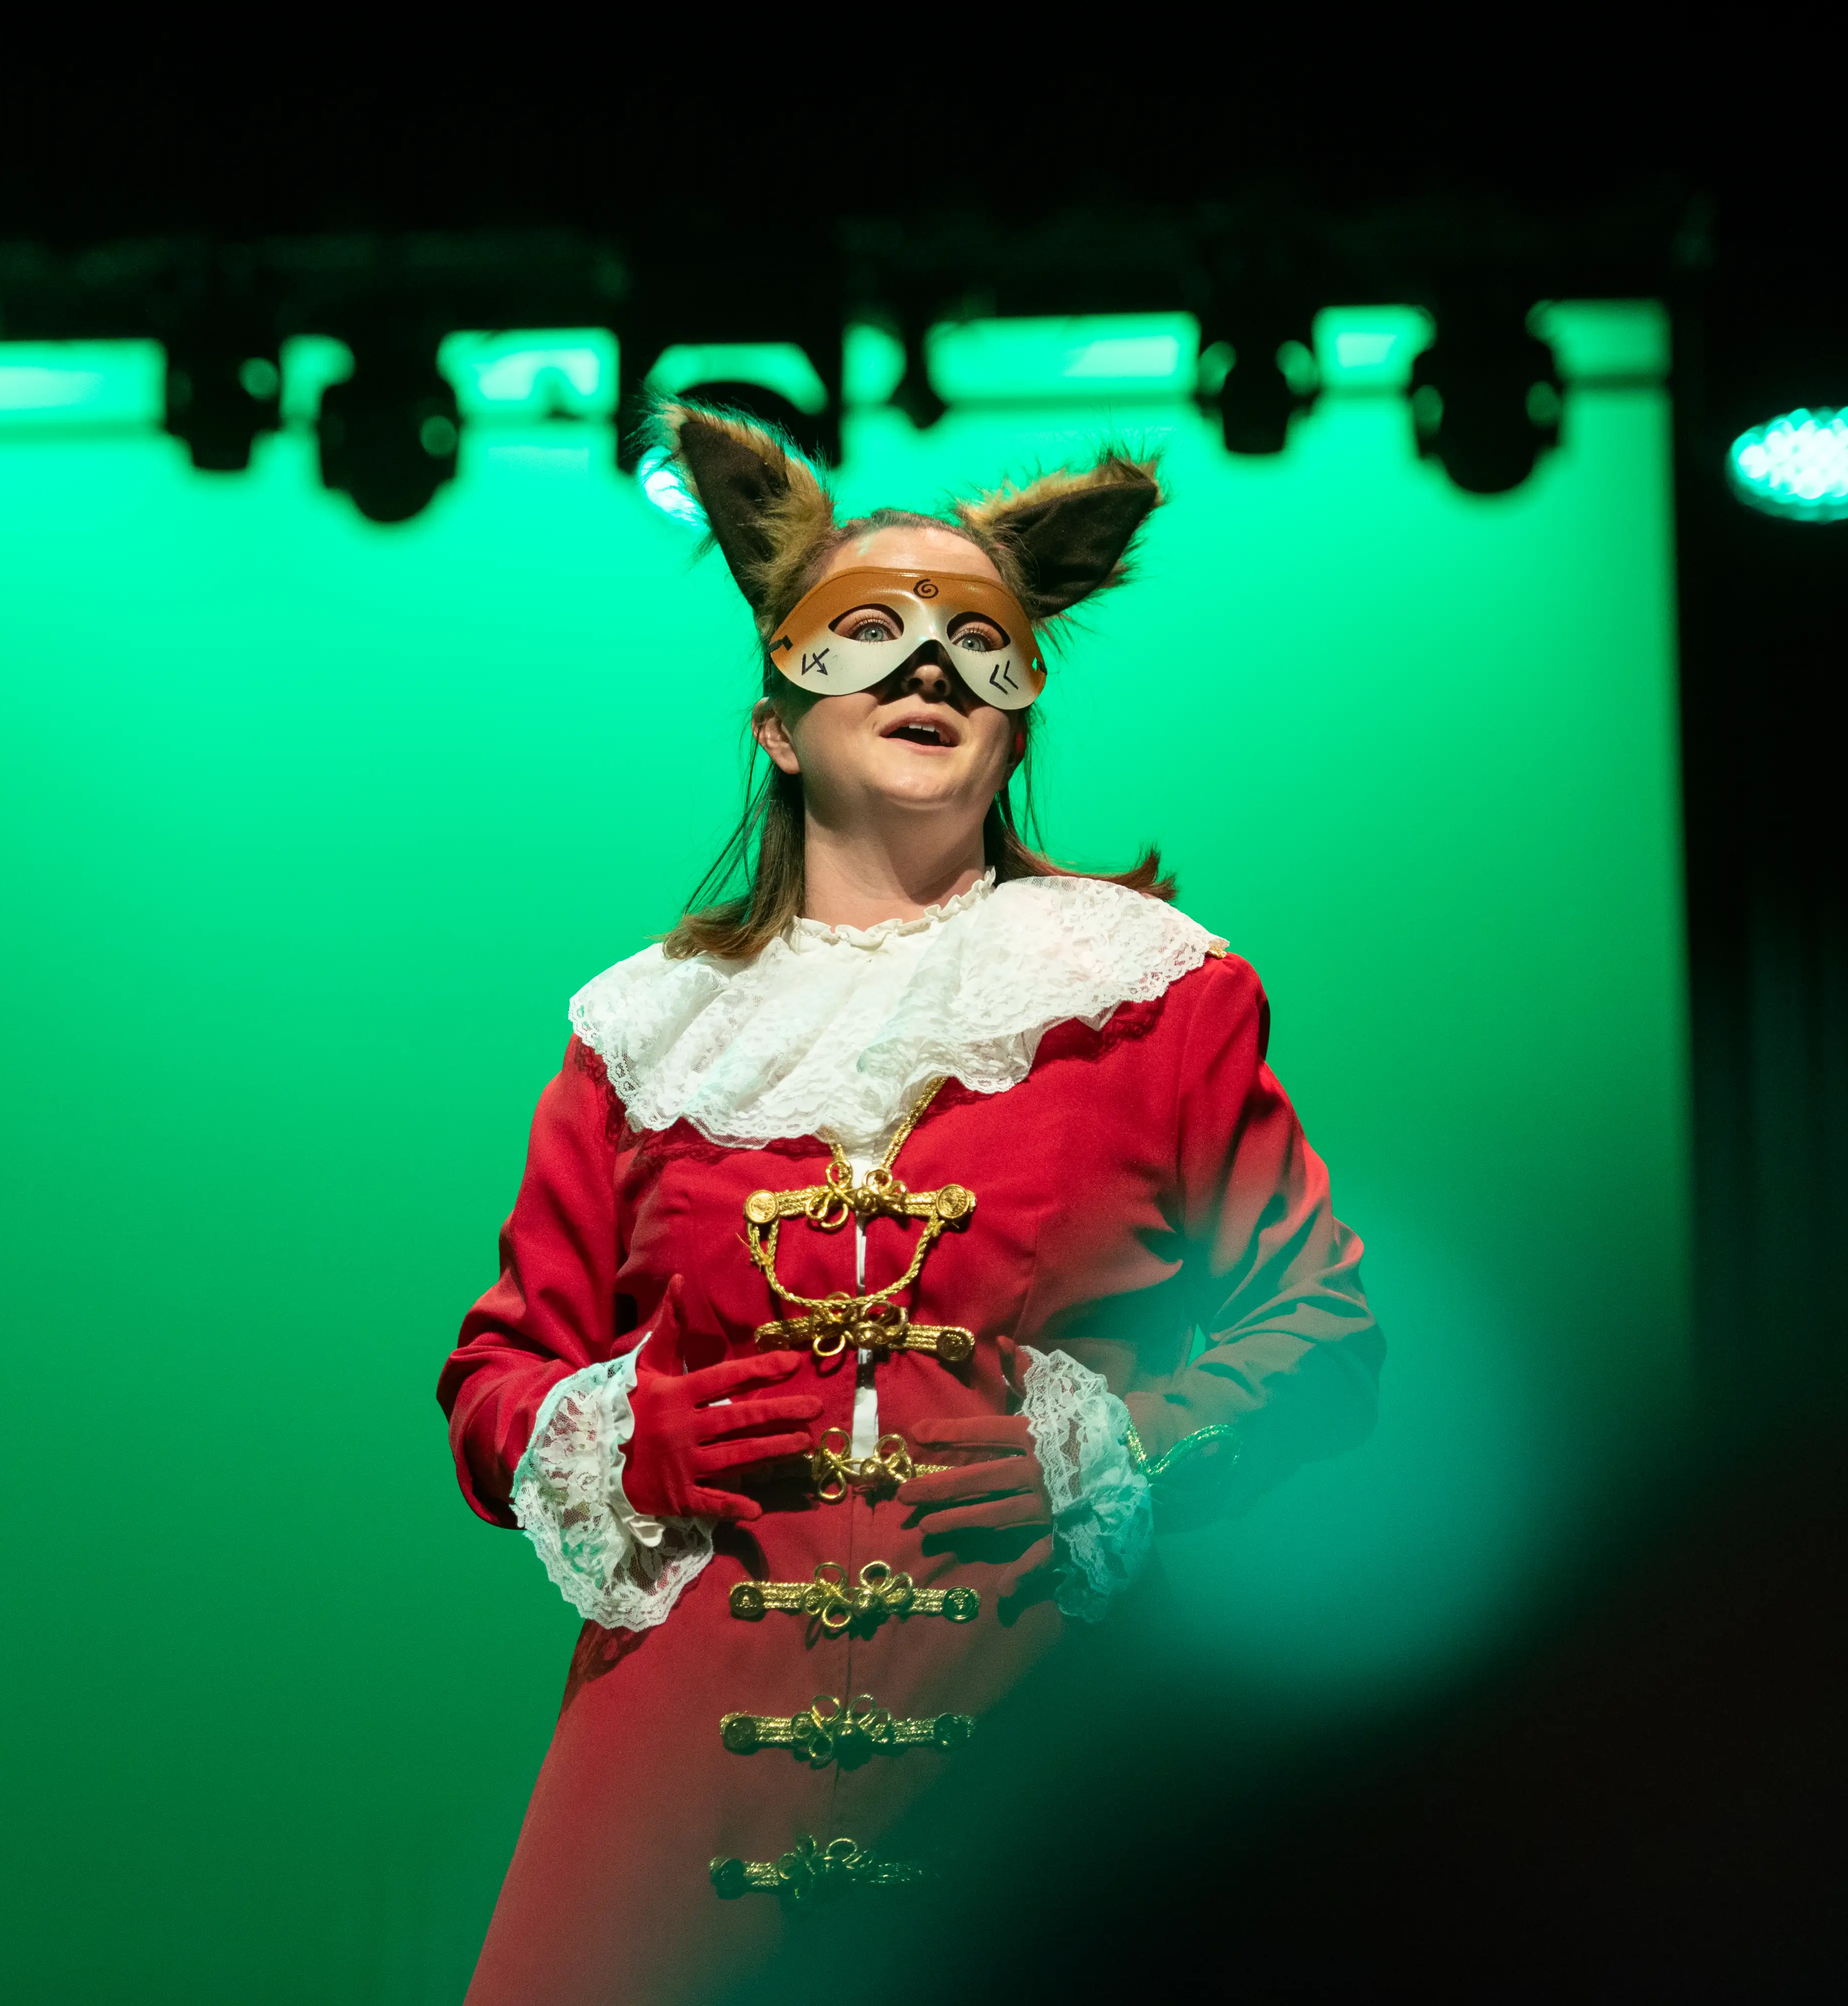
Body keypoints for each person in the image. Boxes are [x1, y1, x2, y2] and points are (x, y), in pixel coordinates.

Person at [437, 404, 1384, 2005]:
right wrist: (628, 1439)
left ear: (1016, 726)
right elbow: (496, 1376)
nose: (931, 666)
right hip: (682, 1783)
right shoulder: (642, 1038)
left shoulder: (1156, 999)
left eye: (981, 645)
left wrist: (1118, 1447)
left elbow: (1326, 1330)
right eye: (867, 634)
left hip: (1041, 1742)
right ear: (776, 719)